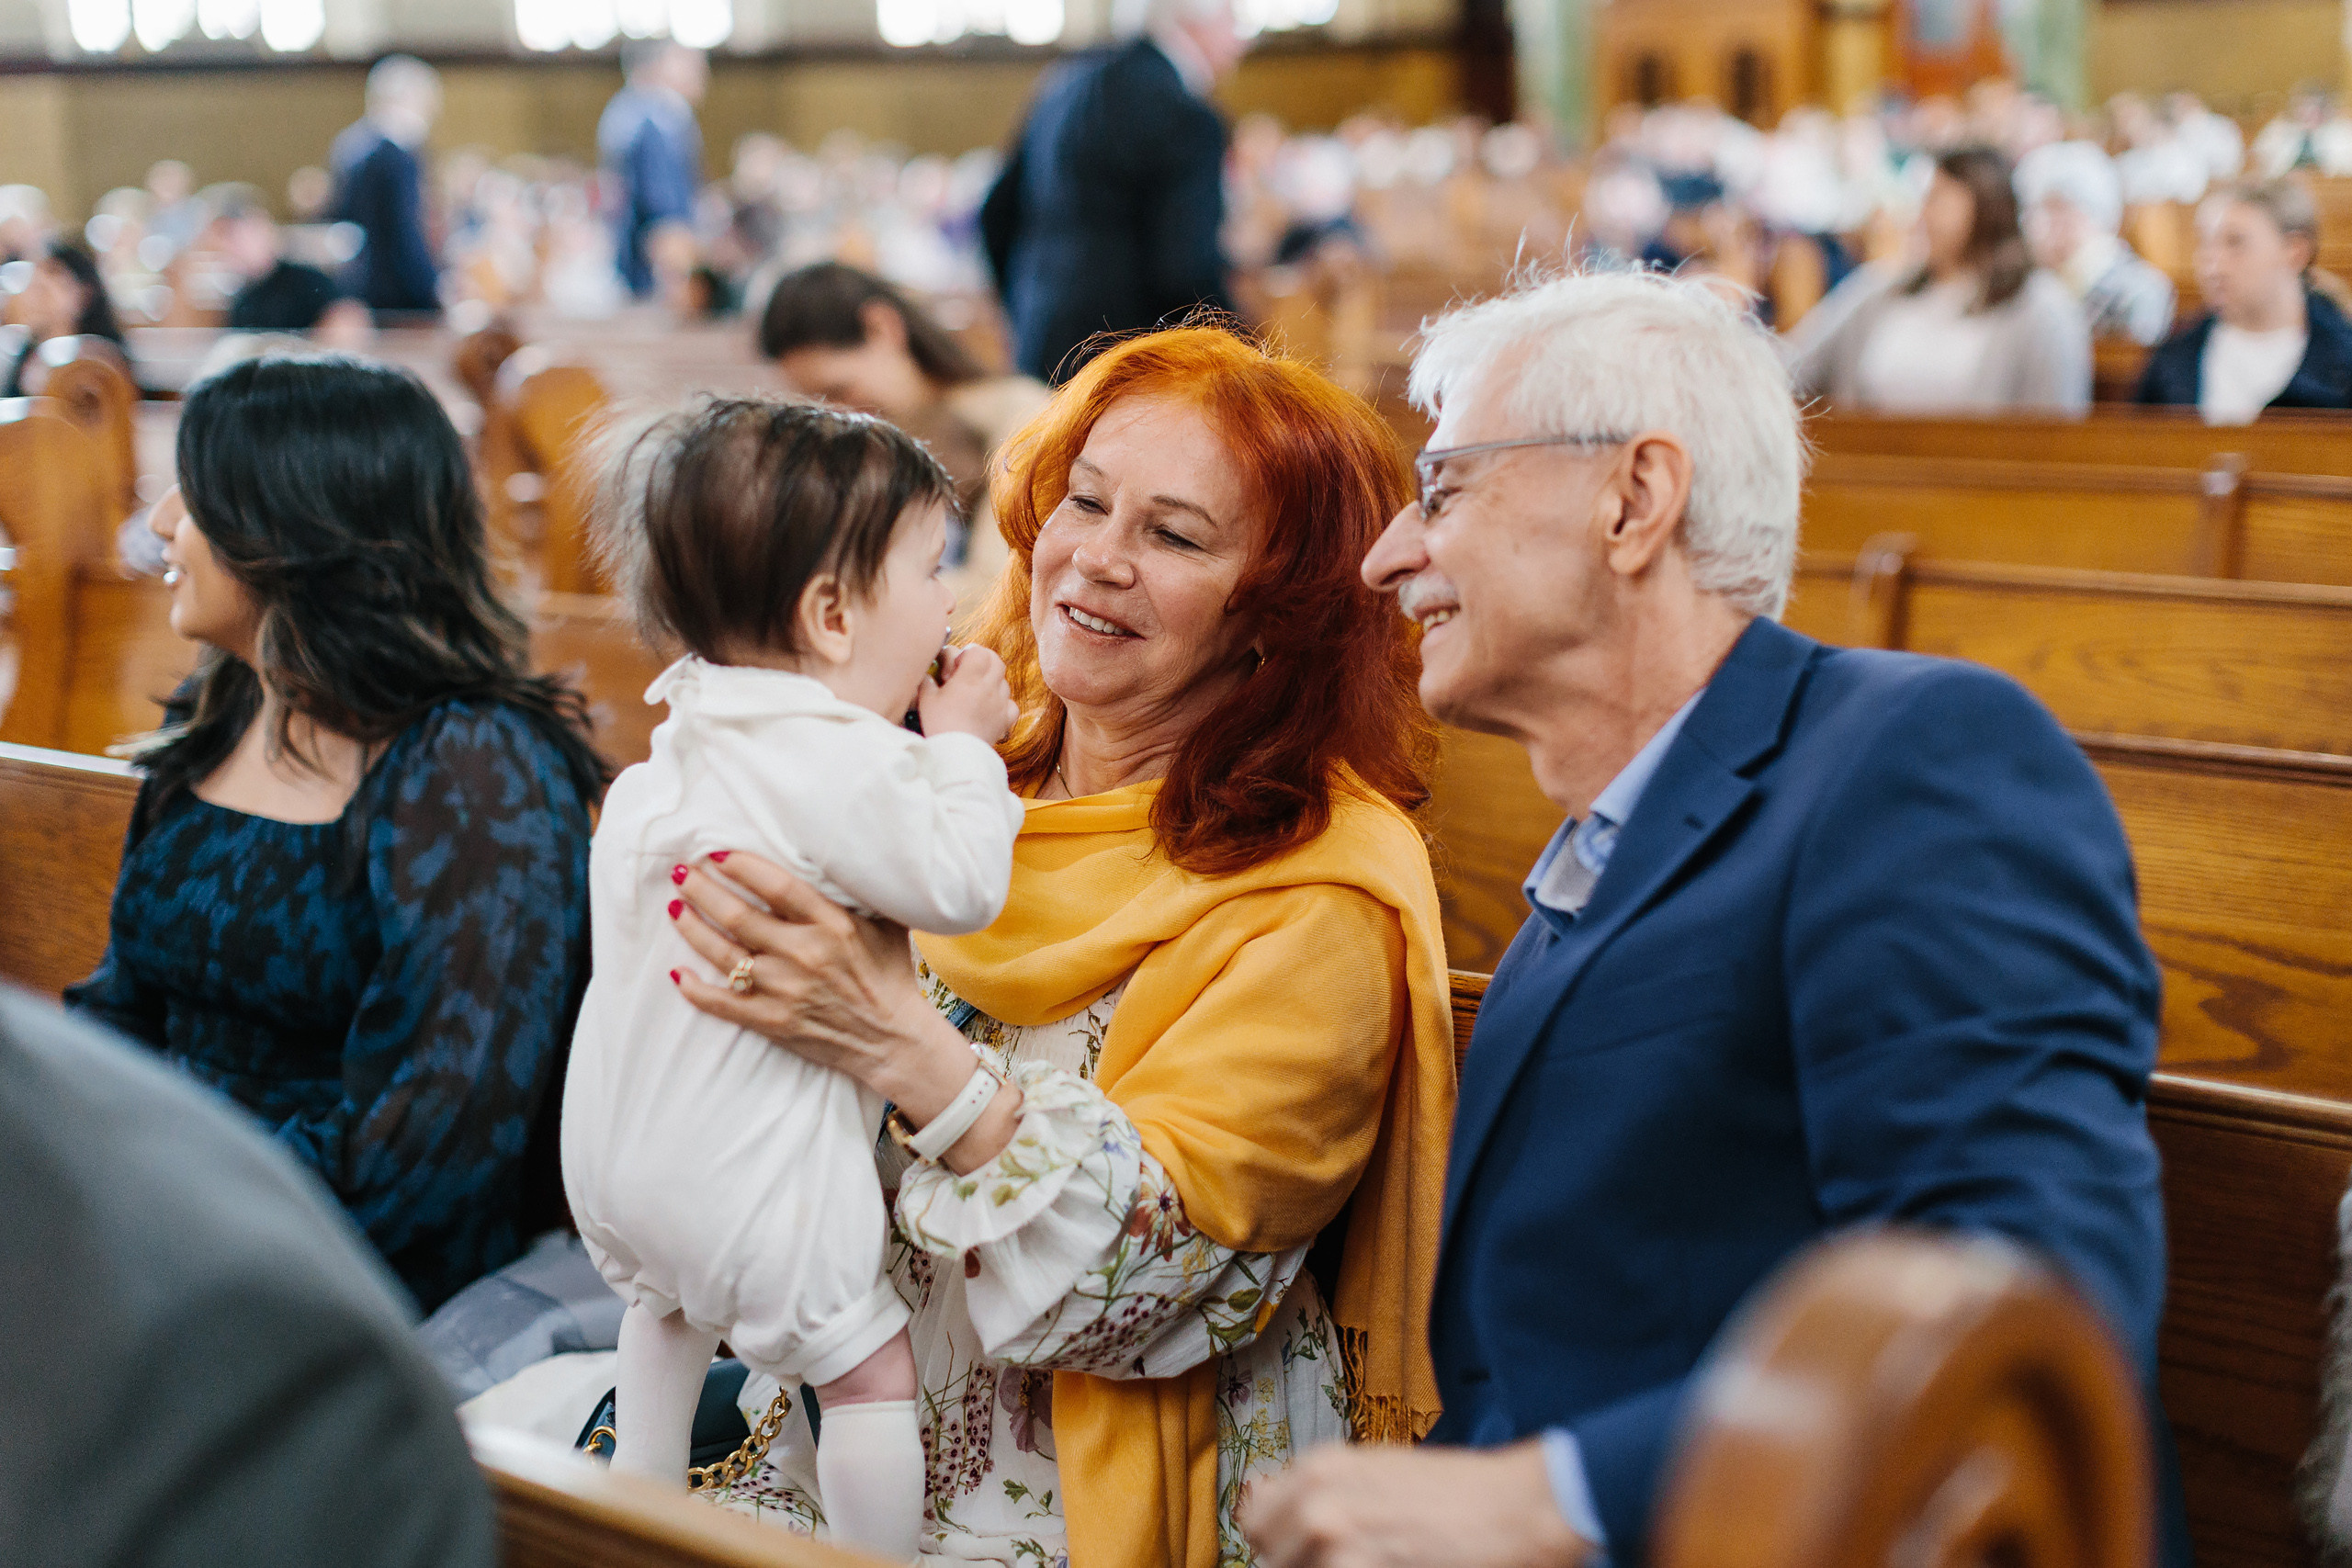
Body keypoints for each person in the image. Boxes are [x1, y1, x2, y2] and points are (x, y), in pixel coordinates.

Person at [1238, 269, 2176, 1568]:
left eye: (1444, 489)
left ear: (1633, 499)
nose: (1388, 554)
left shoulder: (1914, 762)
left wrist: (1545, 1500)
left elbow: (2018, 1298)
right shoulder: (1602, 845)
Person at [643, 327, 1456, 1564]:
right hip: (816, 1426)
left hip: (1082, 1493)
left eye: (1174, 536)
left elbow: (1148, 1288)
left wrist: (906, 1049)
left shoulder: (1320, 892)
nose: (1094, 558)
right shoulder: (944, 772)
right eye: (1084, 500)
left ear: (1276, 615)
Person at [562, 400, 1024, 1561]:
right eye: (933, 568)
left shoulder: (680, 742)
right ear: (831, 616)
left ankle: (643, 1510)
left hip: (618, 1164)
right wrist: (963, 744)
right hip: (749, 1179)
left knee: (663, 1316)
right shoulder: (833, 753)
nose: (951, 598)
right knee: (863, 1363)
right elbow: (961, 883)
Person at [64, 355, 607, 1315]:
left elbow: (432, 1151)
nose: (160, 525)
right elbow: (120, 1015)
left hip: (349, 1287)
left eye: (193, 495)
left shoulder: (476, 766)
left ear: (293, 526)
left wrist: (159, 1226)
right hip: (157, 1234)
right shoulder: (220, 717)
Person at [0, 990, 497, 1568]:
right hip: (158, 1159)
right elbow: (117, 1002)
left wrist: (203, 1183)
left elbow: (426, 1134)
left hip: (334, 1239)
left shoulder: (271, 1387)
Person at [756, 261, 1051, 614]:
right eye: (818, 405)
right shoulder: (881, 446)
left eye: (840, 389)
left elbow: (996, 590)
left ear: (882, 328)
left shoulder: (1018, 414)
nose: (840, 416)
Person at [978, 0, 1246, 383]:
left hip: (1040, 340)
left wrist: (1024, 309)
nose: (1242, 41)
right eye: (1232, 21)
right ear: (1193, 21)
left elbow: (995, 213)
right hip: (1128, 356)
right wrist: (1246, 354)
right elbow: (1184, 271)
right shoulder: (1186, 115)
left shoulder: (1062, 85)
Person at [1784, 144, 2091, 412]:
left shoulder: (2041, 308)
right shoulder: (1881, 291)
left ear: (1985, 207)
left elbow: (2056, 427)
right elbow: (1796, 367)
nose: (1922, 217)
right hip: (1871, 469)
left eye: (1937, 199)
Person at [2136, 176, 2352, 422]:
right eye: (2205, 243)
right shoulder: (2173, 356)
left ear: (2295, 252)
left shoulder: (2343, 358)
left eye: (2235, 242)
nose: (2213, 266)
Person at [2016, 140, 2177, 346]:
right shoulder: (2030, 284)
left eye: (2058, 209)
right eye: (2036, 209)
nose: (2043, 224)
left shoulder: (2140, 291)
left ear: (2096, 212)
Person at [330, 55, 443, 318]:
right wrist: (431, 291)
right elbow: (405, 232)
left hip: (361, 287)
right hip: (400, 294)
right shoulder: (398, 157)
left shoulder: (351, 147)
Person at [600, 41, 707, 299]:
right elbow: (663, 213)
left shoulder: (630, 112)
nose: (702, 73)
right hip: (654, 265)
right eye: (690, 64)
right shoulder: (655, 122)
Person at [213, 186, 374, 346]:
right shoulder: (243, 302)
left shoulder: (306, 281)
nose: (226, 249)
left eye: (231, 236)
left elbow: (350, 321)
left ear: (259, 225)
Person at [1, 238, 130, 399]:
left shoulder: (101, 358)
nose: (35, 300)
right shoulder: (23, 354)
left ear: (85, 294)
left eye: (45, 292)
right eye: (33, 288)